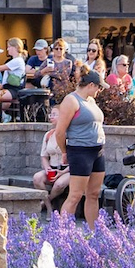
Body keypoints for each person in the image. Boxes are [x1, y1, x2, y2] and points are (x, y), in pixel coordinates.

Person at [53, 70, 108, 225]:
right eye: (99, 87)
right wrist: (64, 152)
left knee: (94, 194)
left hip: (97, 150)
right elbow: (60, 132)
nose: (100, 91)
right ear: (91, 85)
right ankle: (63, 232)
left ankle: (95, 232)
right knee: (75, 195)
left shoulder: (91, 101)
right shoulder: (71, 100)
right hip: (80, 151)